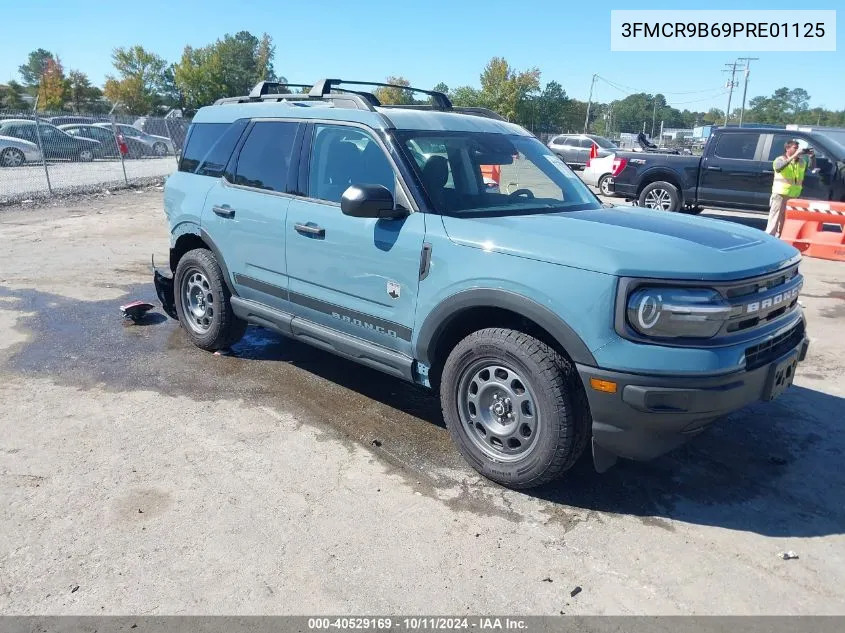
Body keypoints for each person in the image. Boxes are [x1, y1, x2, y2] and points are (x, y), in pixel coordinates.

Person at [767, 140, 814, 237]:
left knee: (786, 218)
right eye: (795, 148)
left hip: (793, 195)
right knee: (775, 217)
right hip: (780, 193)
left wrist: (812, 157)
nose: (798, 150)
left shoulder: (801, 162)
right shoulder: (780, 159)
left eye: (798, 148)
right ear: (787, 148)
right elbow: (779, 167)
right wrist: (793, 156)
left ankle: (781, 237)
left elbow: (812, 168)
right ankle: (769, 237)